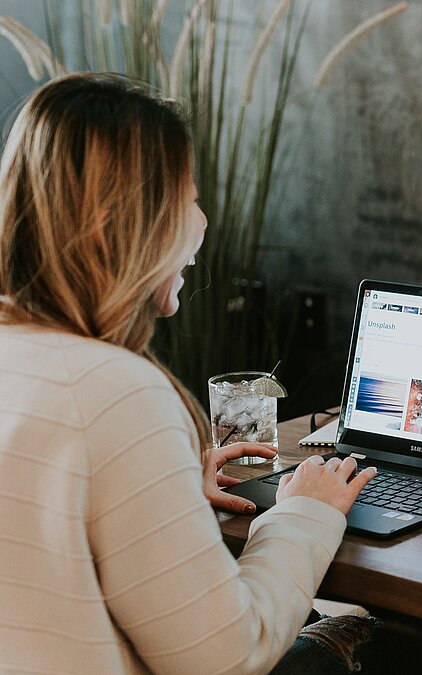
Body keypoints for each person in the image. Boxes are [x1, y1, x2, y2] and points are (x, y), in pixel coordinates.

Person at [0, 73, 382, 673]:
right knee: (370, 636)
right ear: (109, 225)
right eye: (186, 201)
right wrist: (305, 513)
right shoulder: (113, 391)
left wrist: (164, 485)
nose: (201, 224)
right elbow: (228, 657)